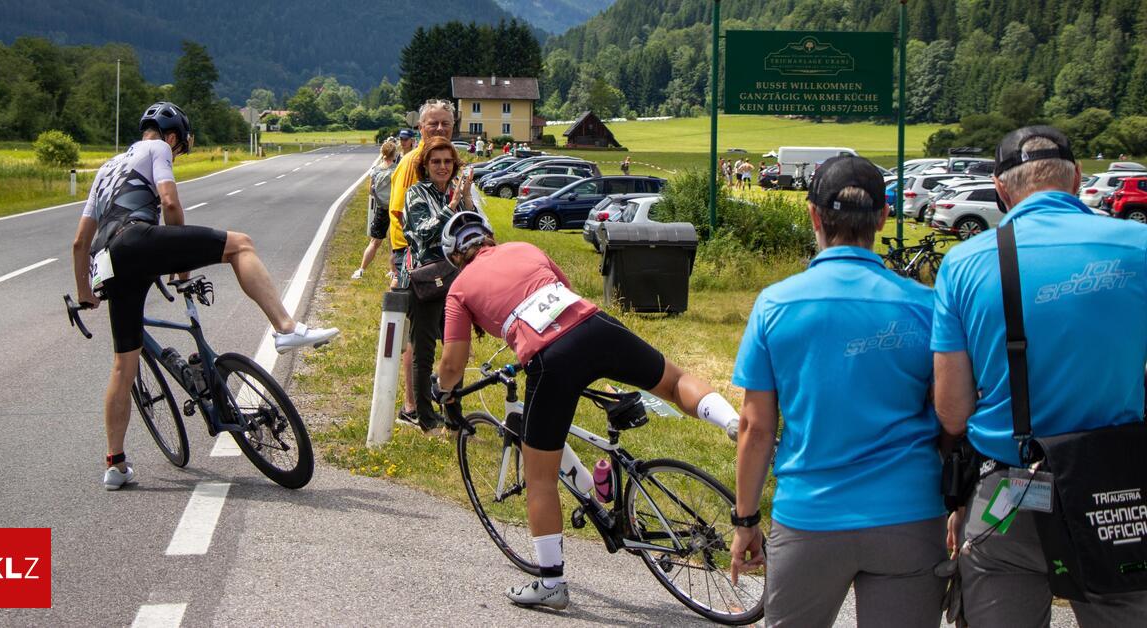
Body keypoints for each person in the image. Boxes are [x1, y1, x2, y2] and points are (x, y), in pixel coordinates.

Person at [434, 211, 741, 611]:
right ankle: (733, 420)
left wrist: (445, 395)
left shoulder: (459, 288)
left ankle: (552, 582)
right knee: (673, 382)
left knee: (540, 477)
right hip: (595, 326)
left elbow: (453, 364)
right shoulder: (525, 247)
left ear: (454, 256)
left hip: (551, 357)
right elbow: (564, 296)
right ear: (488, 237)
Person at [933, 126, 1147, 625]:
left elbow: (952, 410)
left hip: (1011, 488)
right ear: (1076, 180)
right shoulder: (1139, 245)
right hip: (1115, 484)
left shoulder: (965, 263)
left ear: (1001, 191)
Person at [70, 102, 339, 490]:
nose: (175, 156)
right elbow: (169, 202)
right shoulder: (156, 149)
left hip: (107, 262)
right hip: (138, 239)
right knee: (240, 245)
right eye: (179, 150)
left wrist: (84, 293)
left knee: (122, 366)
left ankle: (115, 463)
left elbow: (80, 241)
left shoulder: (105, 169)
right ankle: (284, 328)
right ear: (173, 137)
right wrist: (183, 265)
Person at [729, 156, 947, 627]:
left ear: (813, 215)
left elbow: (756, 427)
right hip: (908, 515)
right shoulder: (926, 306)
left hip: (810, 515)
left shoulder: (776, 305)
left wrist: (746, 520)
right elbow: (950, 413)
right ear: (885, 216)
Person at [387, 101, 457, 429]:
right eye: (433, 124)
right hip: (417, 264)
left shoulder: (449, 171)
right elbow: (403, 219)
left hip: (449, 266)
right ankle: (415, 407)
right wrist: (401, 264)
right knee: (419, 339)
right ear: (421, 128)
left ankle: (440, 405)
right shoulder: (413, 164)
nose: (440, 129)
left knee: (448, 338)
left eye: (445, 124)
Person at [402, 136, 475, 432]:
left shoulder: (457, 193)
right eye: (436, 162)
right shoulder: (416, 193)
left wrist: (467, 201)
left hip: (457, 282)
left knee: (455, 350)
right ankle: (426, 420)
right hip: (427, 282)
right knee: (425, 352)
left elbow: (476, 231)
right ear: (426, 165)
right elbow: (422, 234)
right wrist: (452, 206)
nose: (443, 167)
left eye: (447, 161)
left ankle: (454, 418)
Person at [351, 138, 399, 280]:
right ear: (394, 154)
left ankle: (361, 270)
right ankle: (393, 271)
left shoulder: (376, 170)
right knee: (393, 241)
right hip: (395, 208)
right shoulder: (396, 170)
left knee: (374, 242)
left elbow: (371, 191)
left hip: (381, 208)